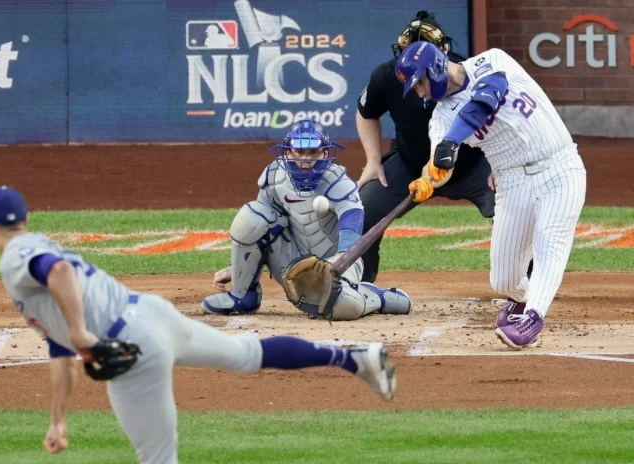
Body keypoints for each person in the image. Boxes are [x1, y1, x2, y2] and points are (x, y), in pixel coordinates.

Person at [0, 185, 397, 463]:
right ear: (24, 219)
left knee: (159, 459)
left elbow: (60, 275)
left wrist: (79, 332)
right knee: (248, 355)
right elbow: (61, 353)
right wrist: (57, 419)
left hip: (135, 348)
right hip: (151, 314)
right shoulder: (33, 252)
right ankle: (354, 359)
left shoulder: (17, 255)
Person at [395, 40, 587, 348]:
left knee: (550, 241)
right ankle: (522, 301)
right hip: (512, 183)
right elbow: (441, 163)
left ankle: (533, 320)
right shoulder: (440, 119)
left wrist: (453, 141)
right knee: (503, 281)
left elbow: (486, 97)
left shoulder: (492, 60)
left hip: (560, 168)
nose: (420, 92)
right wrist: (427, 178)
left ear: (436, 68)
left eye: (421, 83)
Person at [203, 118, 412, 320]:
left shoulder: (337, 180)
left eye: (313, 152)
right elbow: (261, 226)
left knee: (343, 307)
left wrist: (341, 257)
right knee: (251, 217)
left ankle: (375, 296)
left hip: (337, 263)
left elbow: (352, 218)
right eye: (299, 151)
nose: (306, 159)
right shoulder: (275, 176)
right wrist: (240, 269)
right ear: (288, 151)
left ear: (324, 151)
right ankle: (243, 295)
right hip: (293, 263)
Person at [356, 10, 495, 283]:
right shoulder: (386, 76)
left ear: (443, 53)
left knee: (514, 205)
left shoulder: (468, 75)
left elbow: (501, 120)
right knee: (363, 209)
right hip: (411, 166)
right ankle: (361, 281)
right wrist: (373, 161)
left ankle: (529, 283)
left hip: (473, 164)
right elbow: (365, 113)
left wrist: (501, 166)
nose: (415, 79)